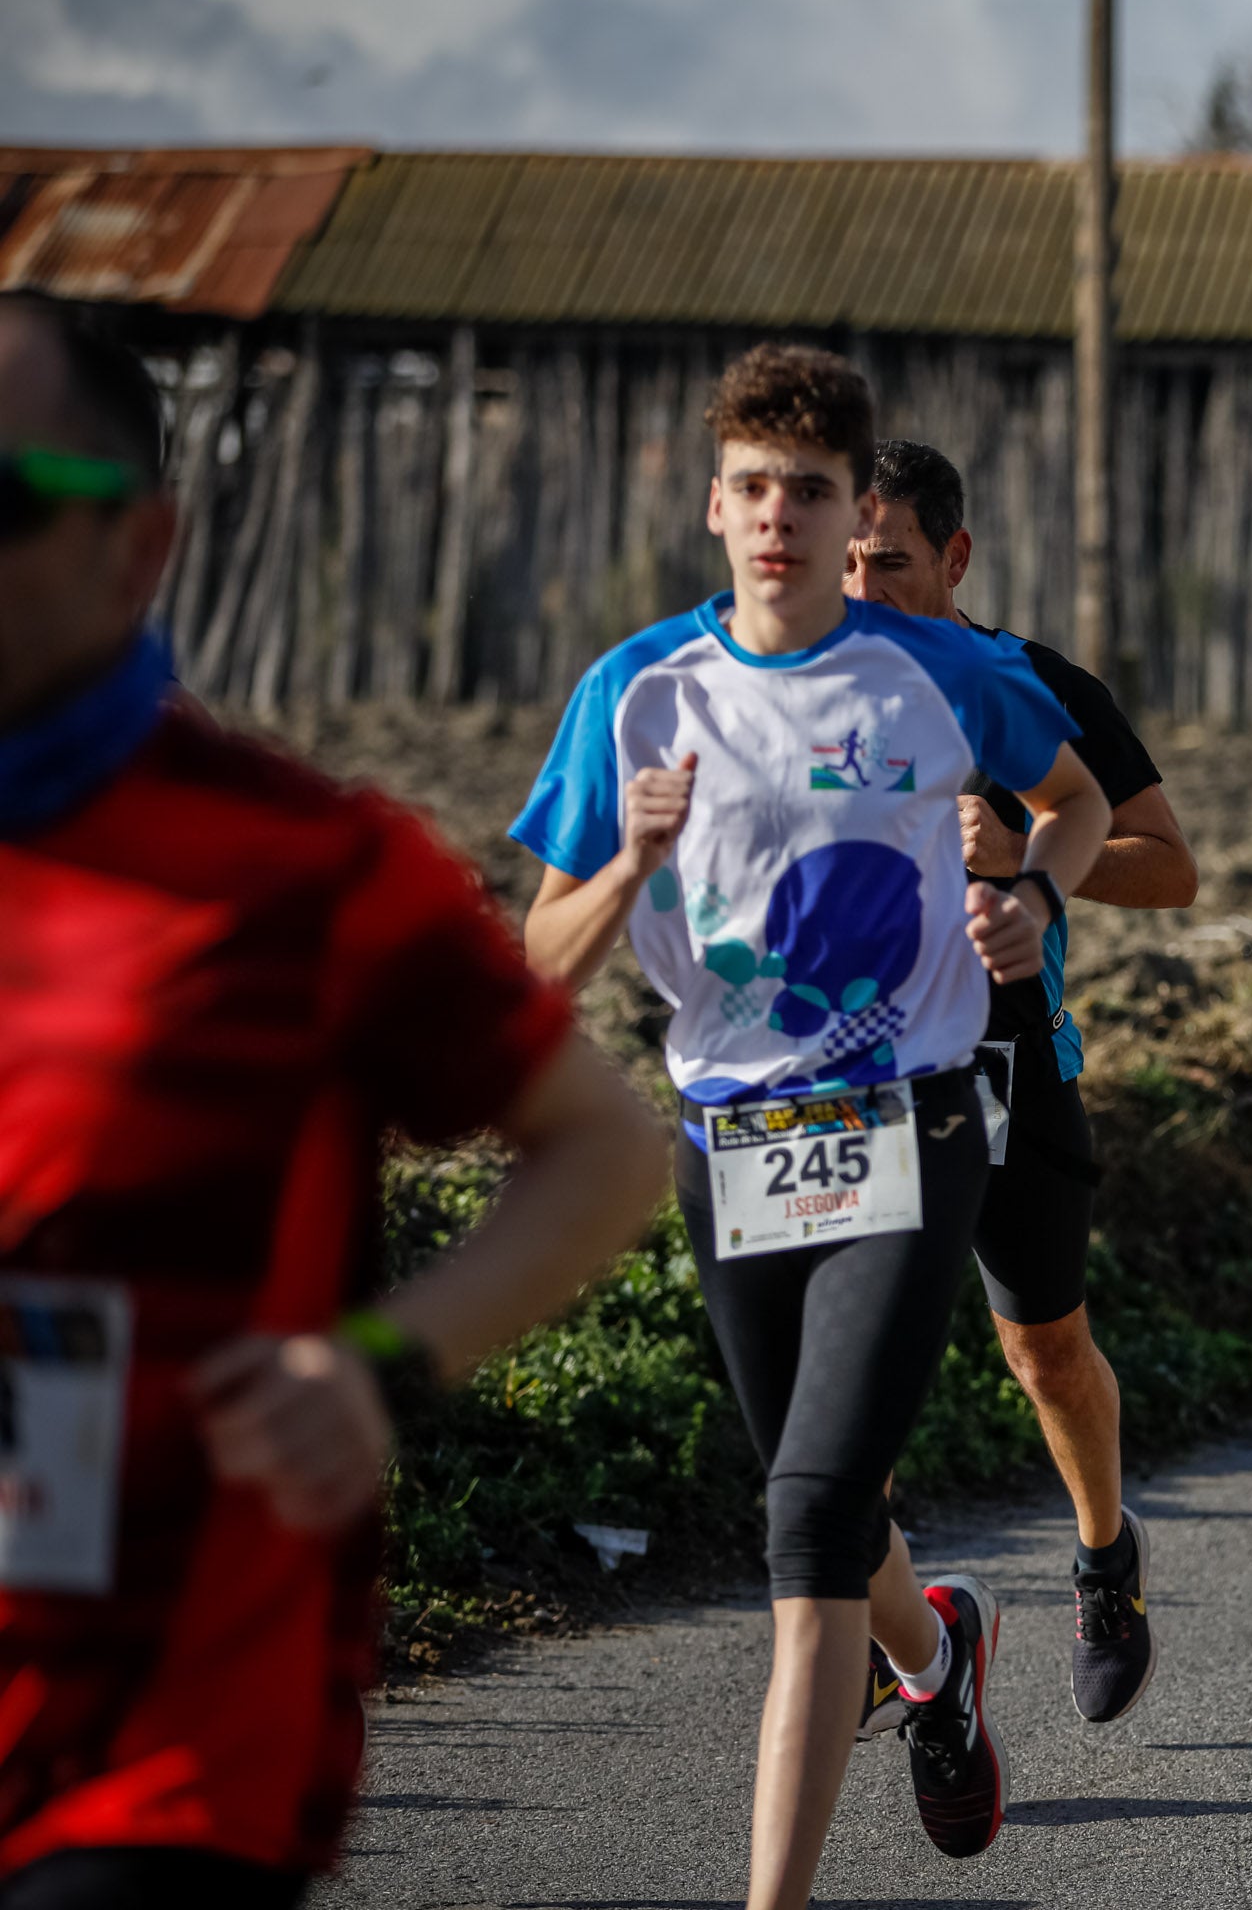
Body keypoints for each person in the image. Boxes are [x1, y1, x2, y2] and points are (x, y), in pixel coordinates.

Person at [0, 296, 666, 1902]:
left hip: (159, 1757)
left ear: (138, 548)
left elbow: (598, 1149)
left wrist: (377, 1363)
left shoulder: (304, 874)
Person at [512, 346, 1110, 1899]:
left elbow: (1081, 794)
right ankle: (939, 1650)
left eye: (815, 492)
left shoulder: (931, 671)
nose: (782, 516)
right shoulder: (638, 694)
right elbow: (534, 959)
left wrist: (1036, 896)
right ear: (715, 505)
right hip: (736, 1145)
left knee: (809, 1531)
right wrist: (631, 867)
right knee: (818, 1506)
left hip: (915, 1127)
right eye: (756, 488)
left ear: (854, 516)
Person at [842, 438, 1195, 1726]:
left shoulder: (1033, 685)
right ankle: (893, 1631)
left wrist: (1027, 863)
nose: (862, 588)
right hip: (860, 1072)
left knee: (1044, 1350)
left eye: (888, 561)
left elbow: (1171, 865)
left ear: (955, 557)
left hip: (1006, 1062)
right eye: (843, 563)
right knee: (855, 1357)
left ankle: (1106, 1554)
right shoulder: (803, 689)